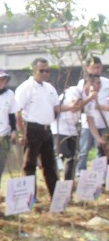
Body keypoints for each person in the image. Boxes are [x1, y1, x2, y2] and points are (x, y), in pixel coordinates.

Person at [15, 58, 77, 197]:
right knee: (30, 164)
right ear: (34, 70)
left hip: (46, 129)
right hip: (31, 128)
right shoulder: (26, 87)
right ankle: (29, 197)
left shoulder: (49, 88)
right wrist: (21, 133)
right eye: (41, 70)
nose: (44, 74)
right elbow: (17, 112)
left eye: (47, 71)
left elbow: (56, 107)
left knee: (50, 164)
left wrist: (72, 107)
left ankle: (55, 196)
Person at [79, 56, 109, 172]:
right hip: (88, 124)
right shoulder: (82, 84)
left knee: (102, 150)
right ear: (87, 68)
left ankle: (100, 174)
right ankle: (80, 172)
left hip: (104, 123)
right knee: (84, 150)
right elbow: (79, 104)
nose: (96, 70)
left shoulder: (107, 83)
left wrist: (100, 107)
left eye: (98, 67)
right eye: (93, 68)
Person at [52, 84, 83, 180]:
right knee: (59, 157)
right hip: (60, 130)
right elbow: (74, 108)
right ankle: (55, 181)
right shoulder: (74, 91)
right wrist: (90, 98)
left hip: (72, 130)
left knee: (72, 158)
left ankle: (68, 182)